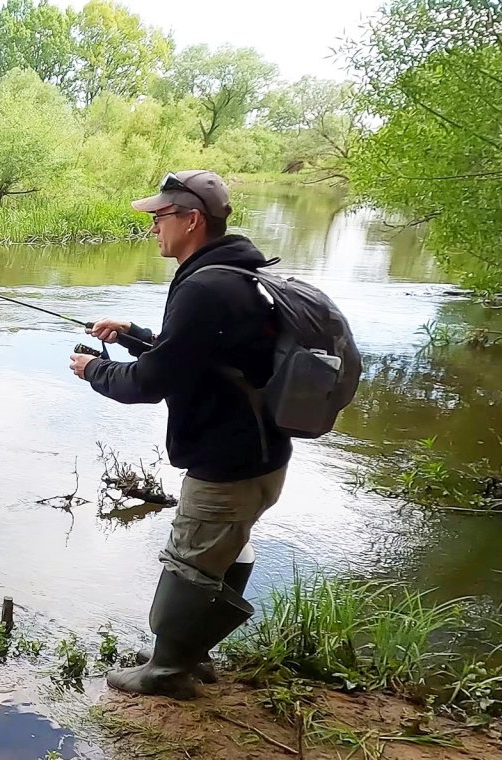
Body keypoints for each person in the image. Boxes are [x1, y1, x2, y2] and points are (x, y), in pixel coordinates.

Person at [68, 170, 292, 700]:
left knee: (190, 558)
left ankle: (168, 671)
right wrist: (133, 335)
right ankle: (196, 651)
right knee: (227, 551)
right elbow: (198, 359)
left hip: (227, 461)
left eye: (159, 217)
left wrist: (93, 371)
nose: (153, 229)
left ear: (191, 220)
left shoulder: (204, 287)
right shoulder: (235, 275)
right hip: (263, 453)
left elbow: (151, 383)